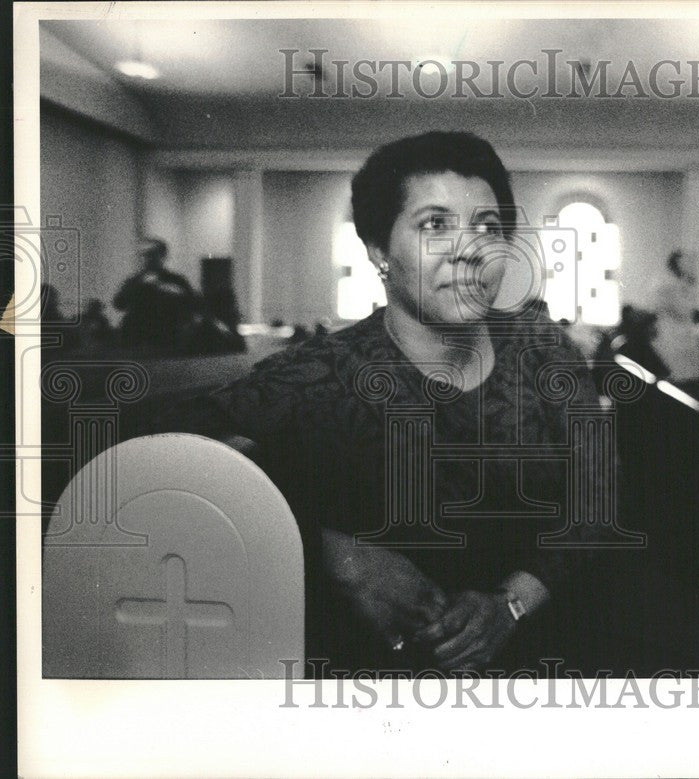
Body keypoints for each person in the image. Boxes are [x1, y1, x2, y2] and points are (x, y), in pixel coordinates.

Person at [160, 132, 614, 674]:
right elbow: (166, 471)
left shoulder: (545, 356)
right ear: (379, 251)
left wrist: (510, 604)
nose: (470, 250)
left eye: (488, 228)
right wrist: (338, 556)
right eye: (435, 224)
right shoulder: (319, 374)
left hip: (538, 659)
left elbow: (594, 506)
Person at [113, 239, 199, 349]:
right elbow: (119, 304)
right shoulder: (133, 281)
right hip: (137, 338)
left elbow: (194, 304)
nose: (146, 258)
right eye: (143, 255)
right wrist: (136, 288)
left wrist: (171, 291)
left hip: (167, 336)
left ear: (162, 255)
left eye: (151, 254)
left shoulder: (176, 280)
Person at [651, 250, 699, 383]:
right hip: (671, 333)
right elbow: (683, 309)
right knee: (677, 375)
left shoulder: (681, 284)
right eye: (686, 263)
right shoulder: (669, 284)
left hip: (683, 332)